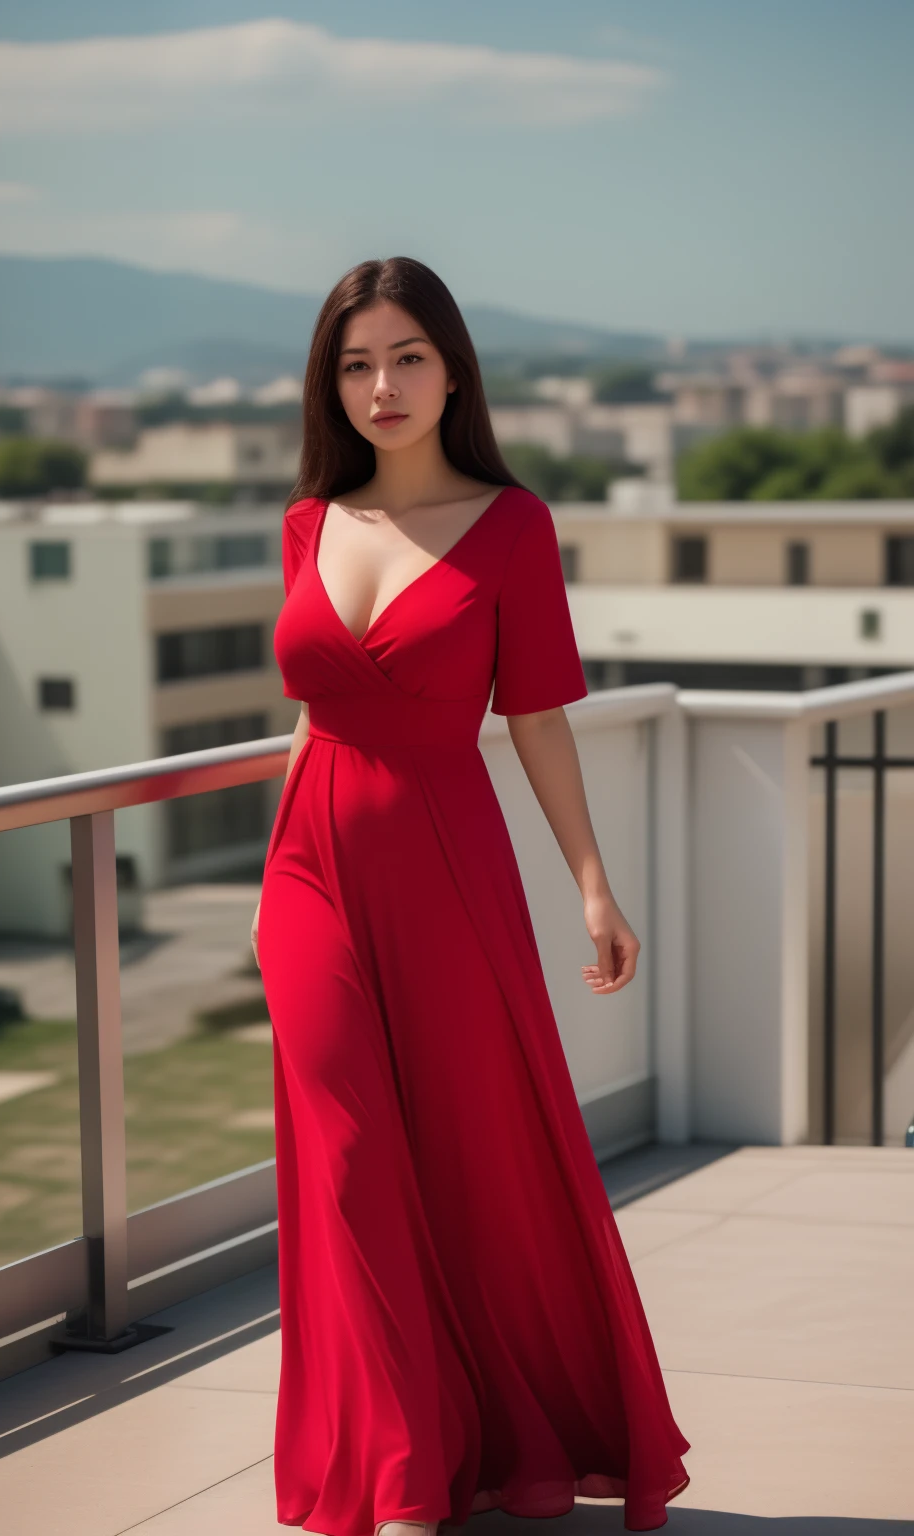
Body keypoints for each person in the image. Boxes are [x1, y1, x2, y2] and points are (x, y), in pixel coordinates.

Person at [251, 256, 689, 1536]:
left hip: (448, 865)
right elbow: (307, 715)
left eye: (405, 357)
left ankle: (475, 1438)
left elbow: (541, 716)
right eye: (354, 363)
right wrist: (268, 876)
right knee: (343, 1165)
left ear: (452, 372)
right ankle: (399, 1477)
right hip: (310, 871)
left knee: (465, 1155)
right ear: (329, 384)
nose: (381, 386)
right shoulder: (306, 521)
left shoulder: (512, 525)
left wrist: (594, 888)